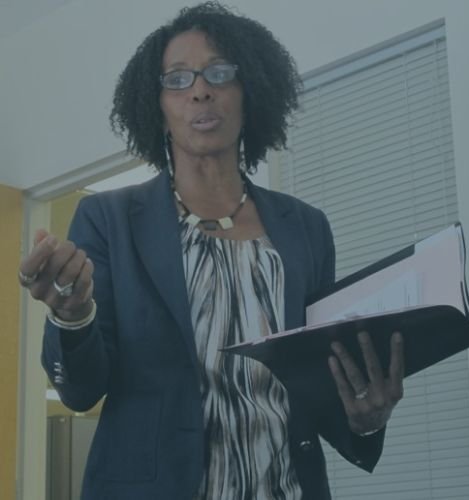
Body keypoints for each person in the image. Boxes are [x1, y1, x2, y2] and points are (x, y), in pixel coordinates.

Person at [18, 3, 404, 499]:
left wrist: (367, 419)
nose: (200, 90)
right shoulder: (108, 219)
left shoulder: (306, 228)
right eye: (177, 79)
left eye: (220, 73)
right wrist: (72, 317)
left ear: (250, 93)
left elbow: (317, 377)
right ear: (157, 107)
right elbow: (81, 390)